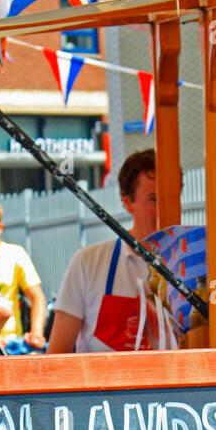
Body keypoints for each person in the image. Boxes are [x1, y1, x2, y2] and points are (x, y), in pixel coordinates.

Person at [48, 149, 158, 354]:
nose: (165, 208)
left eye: (172, 197)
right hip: (104, 385)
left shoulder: (195, 269)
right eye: (154, 199)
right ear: (127, 201)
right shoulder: (88, 262)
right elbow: (57, 355)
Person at [0, 200, 46, 348]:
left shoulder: (15, 254)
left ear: (0, 227)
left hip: (10, 342)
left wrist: (36, 334)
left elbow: (37, 297)